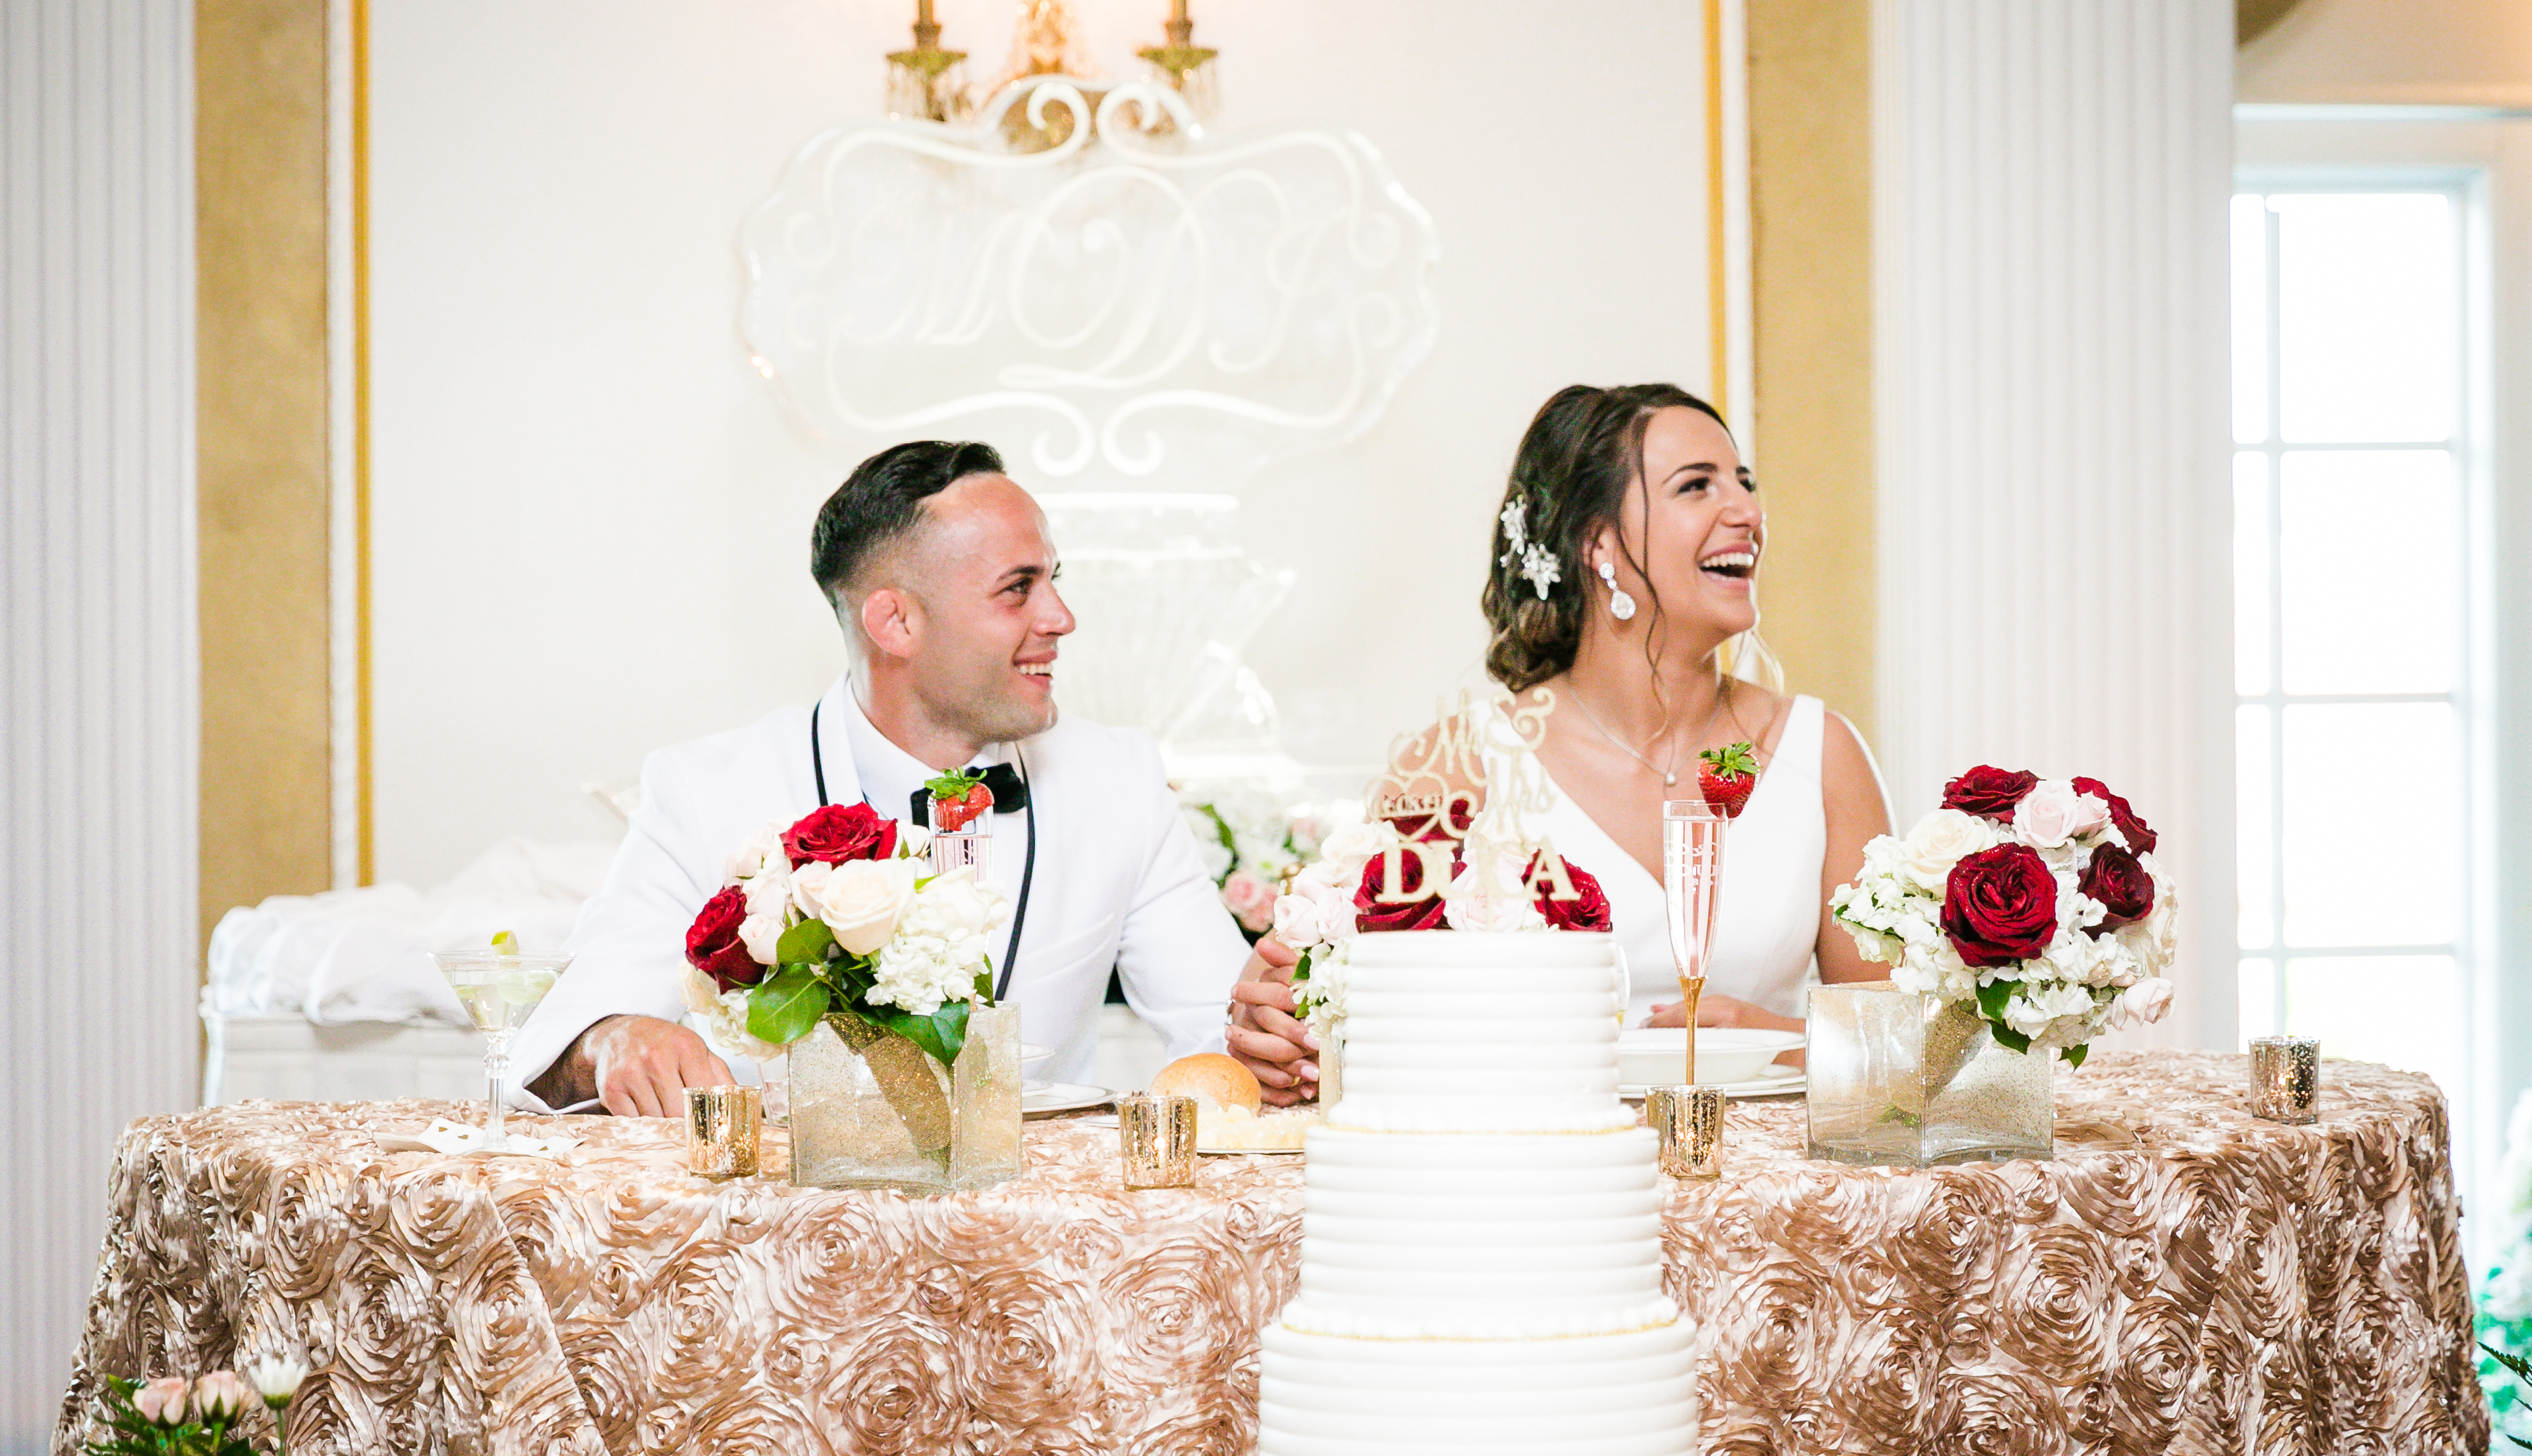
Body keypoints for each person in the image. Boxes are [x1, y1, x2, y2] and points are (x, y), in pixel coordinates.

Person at [515, 439, 1273, 1116]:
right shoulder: (704, 791)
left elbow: (1226, 1023)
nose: (1061, 616)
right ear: (895, 623)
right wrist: (611, 1041)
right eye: (1019, 588)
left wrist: (1276, 1035)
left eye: (1054, 580)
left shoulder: (1120, 782)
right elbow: (556, 1042)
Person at [1228, 382, 1892, 1103]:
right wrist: (1284, 1020)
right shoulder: (1463, 764)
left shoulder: (1817, 752)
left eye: (1745, 483)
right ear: (1597, 543)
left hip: (1780, 1197)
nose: (1747, 513)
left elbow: (1908, 1050)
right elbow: (1355, 1014)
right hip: (1551, 1181)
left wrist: (1774, 1042)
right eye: (1696, 487)